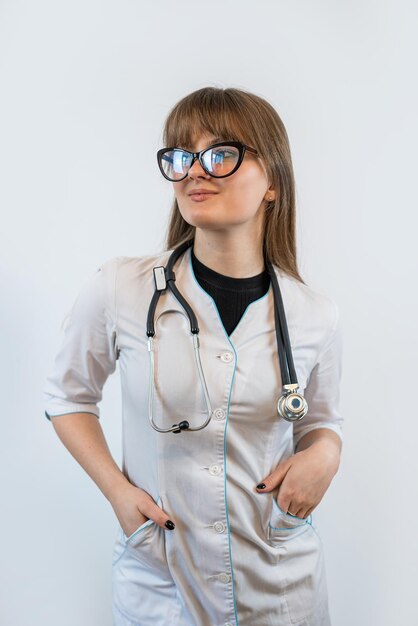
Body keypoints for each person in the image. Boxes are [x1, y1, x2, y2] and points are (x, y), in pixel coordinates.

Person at [44, 86, 343, 626]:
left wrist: (326, 454)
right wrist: (117, 492)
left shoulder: (313, 313)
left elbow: (320, 423)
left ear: (272, 181)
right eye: (181, 156)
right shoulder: (122, 288)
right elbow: (66, 398)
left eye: (220, 154)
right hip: (163, 583)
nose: (193, 171)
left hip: (281, 585)